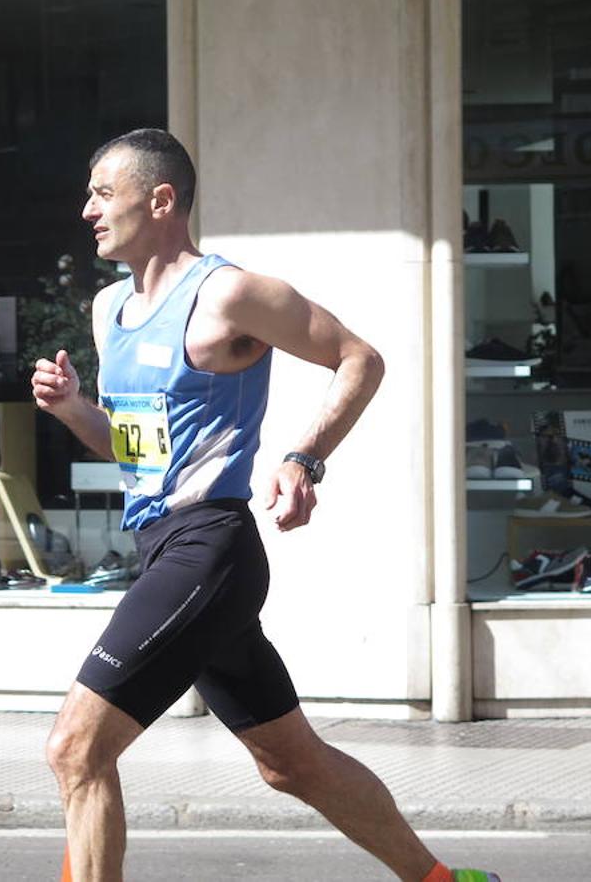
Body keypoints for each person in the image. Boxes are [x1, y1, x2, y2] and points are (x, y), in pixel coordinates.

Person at [31, 128, 498, 882]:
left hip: (208, 548)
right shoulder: (108, 309)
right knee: (290, 763)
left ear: (161, 200)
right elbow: (133, 449)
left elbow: (359, 357)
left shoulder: (230, 293)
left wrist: (303, 455)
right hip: (164, 549)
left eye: (102, 192)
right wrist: (74, 411)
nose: (87, 208)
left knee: (76, 749)